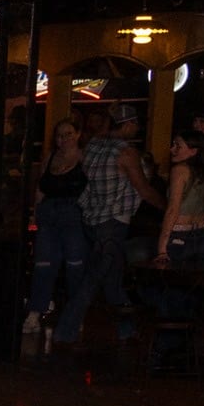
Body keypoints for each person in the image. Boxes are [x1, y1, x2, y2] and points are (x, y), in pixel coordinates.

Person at [75, 104, 162, 352]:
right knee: (105, 279)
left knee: (106, 278)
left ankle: (122, 329)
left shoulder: (93, 146)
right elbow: (144, 190)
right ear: (129, 124)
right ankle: (70, 327)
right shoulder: (125, 152)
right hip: (113, 222)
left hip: (92, 219)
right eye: (136, 124)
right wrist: (169, 210)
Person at [24, 116, 92, 347]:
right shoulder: (50, 158)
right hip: (49, 215)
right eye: (59, 135)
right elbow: (40, 187)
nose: (63, 139)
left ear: (78, 135)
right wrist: (35, 213)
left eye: (68, 134)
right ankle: (35, 312)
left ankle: (75, 315)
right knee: (43, 264)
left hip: (73, 214)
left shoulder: (84, 158)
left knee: (75, 265)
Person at [155, 129, 204, 269]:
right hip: (202, 235)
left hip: (179, 235)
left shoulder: (179, 170)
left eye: (178, 146)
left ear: (193, 151)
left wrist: (161, 249)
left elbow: (173, 209)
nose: (172, 149)